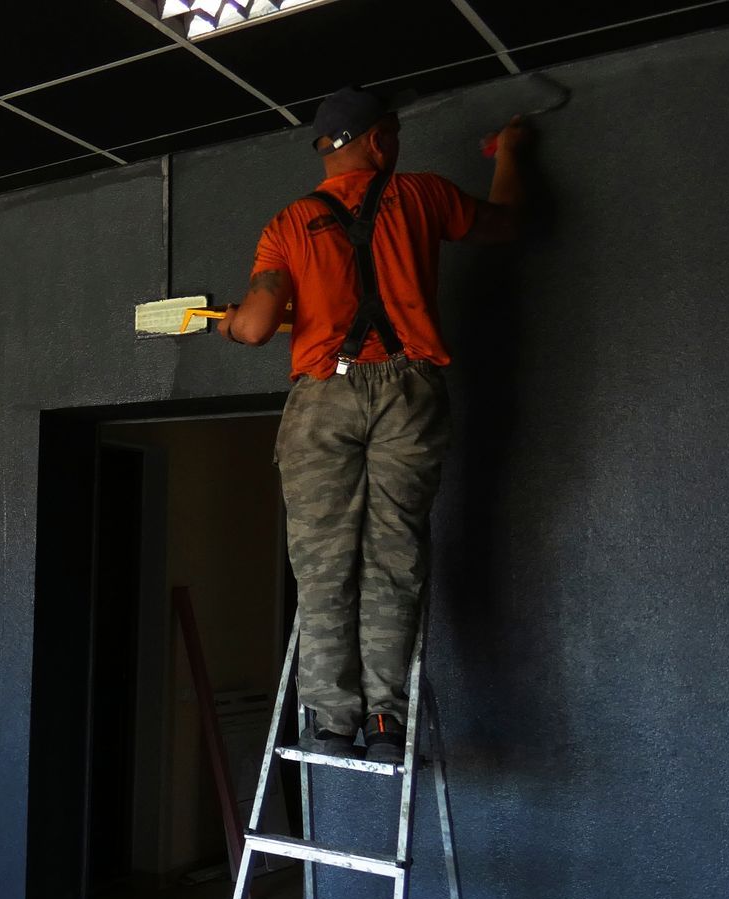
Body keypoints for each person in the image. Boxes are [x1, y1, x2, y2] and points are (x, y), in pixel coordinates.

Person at [214, 85, 527, 763]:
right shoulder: (423, 195)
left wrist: (231, 324)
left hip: (323, 398)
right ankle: (386, 720)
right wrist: (510, 153)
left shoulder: (289, 223)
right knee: (394, 555)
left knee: (323, 564)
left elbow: (259, 325)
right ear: (379, 141)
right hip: (410, 394)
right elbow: (507, 222)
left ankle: (332, 721)